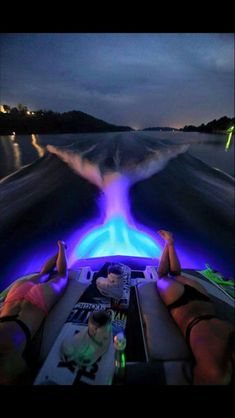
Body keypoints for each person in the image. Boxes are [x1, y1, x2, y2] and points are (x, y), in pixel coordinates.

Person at [156, 230, 235, 385]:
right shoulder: (217, 373)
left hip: (202, 302)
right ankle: (169, 243)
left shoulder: (216, 370)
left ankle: (170, 243)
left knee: (171, 274)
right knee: (166, 276)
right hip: (186, 308)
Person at [0, 240, 68, 385]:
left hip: (34, 304)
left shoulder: (8, 367)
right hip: (14, 300)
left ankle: (62, 247)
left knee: (61, 275)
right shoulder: (8, 363)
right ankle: (61, 247)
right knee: (45, 273)